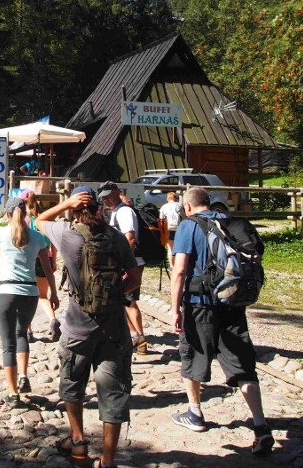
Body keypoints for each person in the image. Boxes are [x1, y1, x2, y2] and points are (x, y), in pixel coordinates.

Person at [36, 187, 141, 468]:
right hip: (114, 330)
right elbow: (134, 277)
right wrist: (116, 296)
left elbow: (38, 220)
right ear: (99, 209)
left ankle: (79, 441)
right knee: (114, 394)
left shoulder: (67, 234)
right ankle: (107, 460)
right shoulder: (116, 237)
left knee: (73, 385)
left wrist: (65, 203)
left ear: (74, 210)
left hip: (77, 328)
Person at [169, 187, 275, 454]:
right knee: (242, 362)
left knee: (193, 354)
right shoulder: (231, 221)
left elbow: (180, 269)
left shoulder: (188, 225)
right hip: (232, 302)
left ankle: (195, 413)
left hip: (200, 304)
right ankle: (261, 425)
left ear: (189, 206)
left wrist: (175, 309)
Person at [0, 196, 58, 406]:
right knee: (22, 334)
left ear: (8, 214)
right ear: (26, 213)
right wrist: (54, 293)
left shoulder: (0, 233)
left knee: (7, 343)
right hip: (29, 292)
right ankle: (23, 375)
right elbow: (48, 269)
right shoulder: (38, 238)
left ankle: (13, 393)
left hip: (6, 291)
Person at [97, 181, 148, 355]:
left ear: (118, 193)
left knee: (127, 300)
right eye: (103, 198)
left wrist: (121, 264)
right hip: (127, 263)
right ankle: (137, 338)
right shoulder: (116, 212)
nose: (106, 200)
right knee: (124, 300)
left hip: (130, 263)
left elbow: (130, 239)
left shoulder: (124, 212)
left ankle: (140, 340)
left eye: (109, 196)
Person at [20, 189, 61, 341]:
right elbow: (54, 242)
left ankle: (28, 331)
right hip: (47, 258)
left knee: (26, 296)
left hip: (30, 259)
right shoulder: (45, 219)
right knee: (43, 295)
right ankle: (52, 319)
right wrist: (54, 260)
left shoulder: (24, 219)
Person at [159, 191, 182, 269]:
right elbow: (184, 217)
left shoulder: (164, 207)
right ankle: (178, 264)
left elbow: (161, 219)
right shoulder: (179, 206)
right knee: (179, 248)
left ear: (167, 198)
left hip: (168, 228)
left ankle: (172, 266)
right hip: (178, 228)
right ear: (175, 198)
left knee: (170, 248)